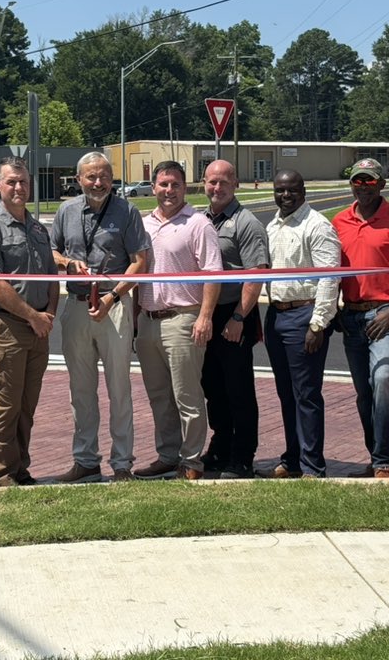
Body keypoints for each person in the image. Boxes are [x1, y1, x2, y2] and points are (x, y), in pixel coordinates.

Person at [51, 151, 151, 483]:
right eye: (91, 176)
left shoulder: (127, 211)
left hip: (114, 307)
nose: (98, 182)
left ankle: (122, 464)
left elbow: (140, 262)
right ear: (78, 179)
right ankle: (85, 460)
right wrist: (67, 263)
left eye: (104, 176)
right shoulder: (66, 211)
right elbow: (51, 251)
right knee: (80, 390)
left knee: (119, 389)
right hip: (77, 306)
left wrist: (112, 296)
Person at [332, 158, 389, 479]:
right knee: (364, 393)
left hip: (386, 315)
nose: (362, 187)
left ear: (382, 184)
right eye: (357, 181)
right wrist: (333, 310)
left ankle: (385, 460)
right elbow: (331, 272)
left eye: (369, 182)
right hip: (352, 317)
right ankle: (377, 456)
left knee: (384, 380)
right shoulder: (339, 222)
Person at [0, 157, 59, 487]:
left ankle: (21, 467)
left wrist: (47, 313)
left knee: (26, 406)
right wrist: (33, 316)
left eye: (23, 182)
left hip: (38, 328)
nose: (18, 187)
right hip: (5, 327)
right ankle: (2, 473)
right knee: (6, 406)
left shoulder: (37, 229)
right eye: (11, 182)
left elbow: (51, 274)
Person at [133, 160, 222, 481]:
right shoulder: (143, 225)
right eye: (163, 184)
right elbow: (136, 275)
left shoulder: (198, 224)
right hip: (148, 320)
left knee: (188, 396)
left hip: (184, 319)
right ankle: (167, 455)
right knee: (159, 396)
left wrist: (205, 317)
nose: (168, 190)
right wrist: (133, 321)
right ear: (153, 187)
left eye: (175, 184)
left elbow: (213, 274)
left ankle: (192, 461)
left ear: (186, 188)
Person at [261, 169, 341, 479]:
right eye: (280, 190)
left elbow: (329, 277)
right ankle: (292, 459)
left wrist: (318, 324)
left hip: (304, 316)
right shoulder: (273, 226)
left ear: (303, 191)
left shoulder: (317, 226)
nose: (285, 195)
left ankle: (312, 466)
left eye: (292, 190)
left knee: (306, 394)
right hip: (277, 315)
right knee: (286, 393)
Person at [200, 160, 270, 479]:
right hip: (205, 313)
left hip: (234, 314)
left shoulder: (246, 223)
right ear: (204, 183)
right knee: (212, 386)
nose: (217, 188)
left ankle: (243, 456)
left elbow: (256, 275)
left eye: (223, 182)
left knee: (238, 388)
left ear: (235, 184)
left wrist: (239, 317)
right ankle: (221, 445)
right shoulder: (200, 220)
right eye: (212, 182)